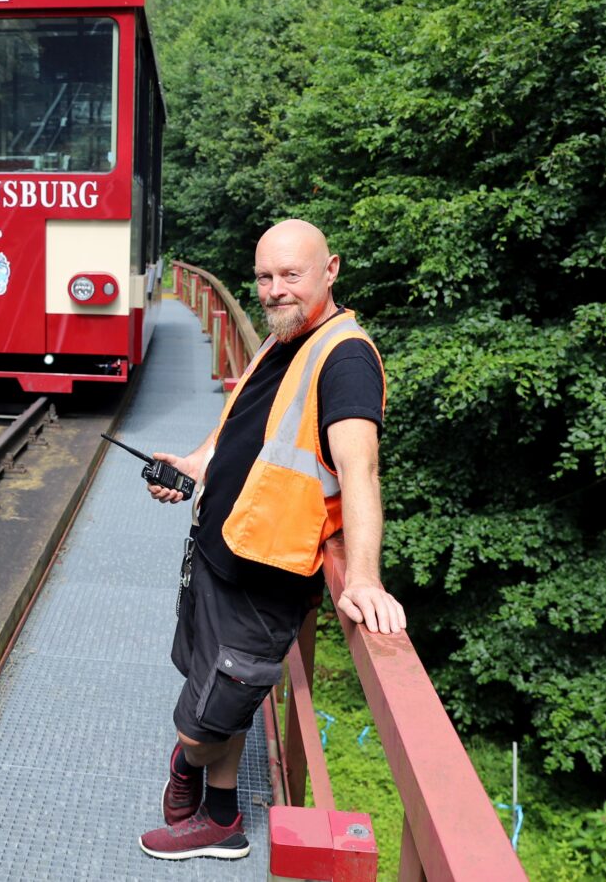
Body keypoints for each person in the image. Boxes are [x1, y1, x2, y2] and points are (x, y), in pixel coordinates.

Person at [138, 219, 407, 861]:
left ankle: (187, 766)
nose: (275, 290)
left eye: (292, 275)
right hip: (218, 550)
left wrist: (364, 576)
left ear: (330, 270)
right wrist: (194, 466)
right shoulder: (285, 339)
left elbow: (360, 471)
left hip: (264, 578)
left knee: (202, 723)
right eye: (265, 277)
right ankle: (224, 817)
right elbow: (244, 434)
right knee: (218, 695)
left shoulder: (344, 357)